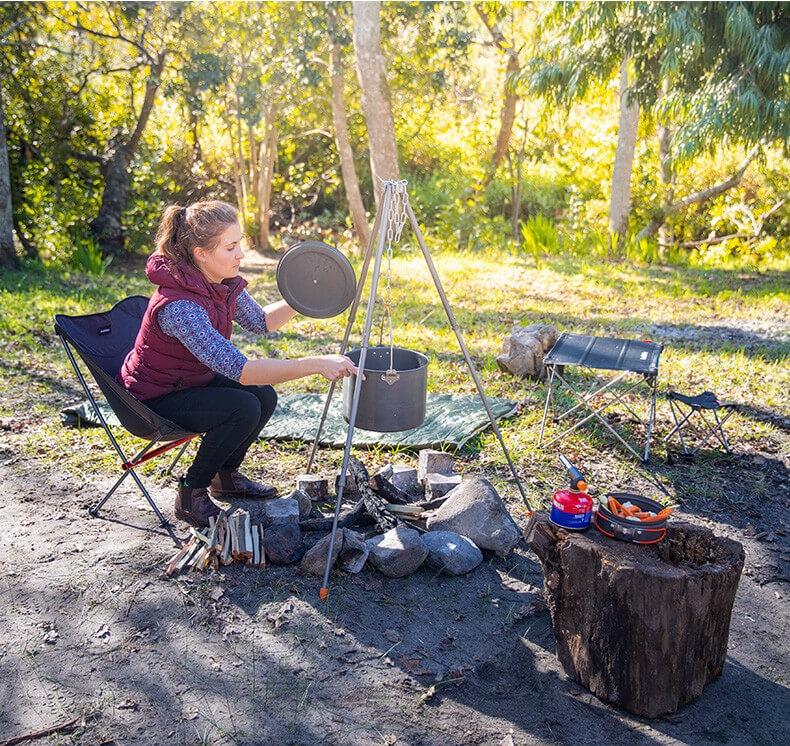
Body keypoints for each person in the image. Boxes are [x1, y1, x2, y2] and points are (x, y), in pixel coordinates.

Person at [118, 200, 358, 527]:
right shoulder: (180, 307)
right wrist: (316, 363)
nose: (241, 254)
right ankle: (191, 493)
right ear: (201, 253)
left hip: (188, 381)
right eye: (231, 247)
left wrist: (303, 297)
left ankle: (224, 476)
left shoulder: (219, 281)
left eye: (239, 243)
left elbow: (260, 321)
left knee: (264, 396)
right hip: (154, 398)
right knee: (243, 405)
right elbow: (243, 371)